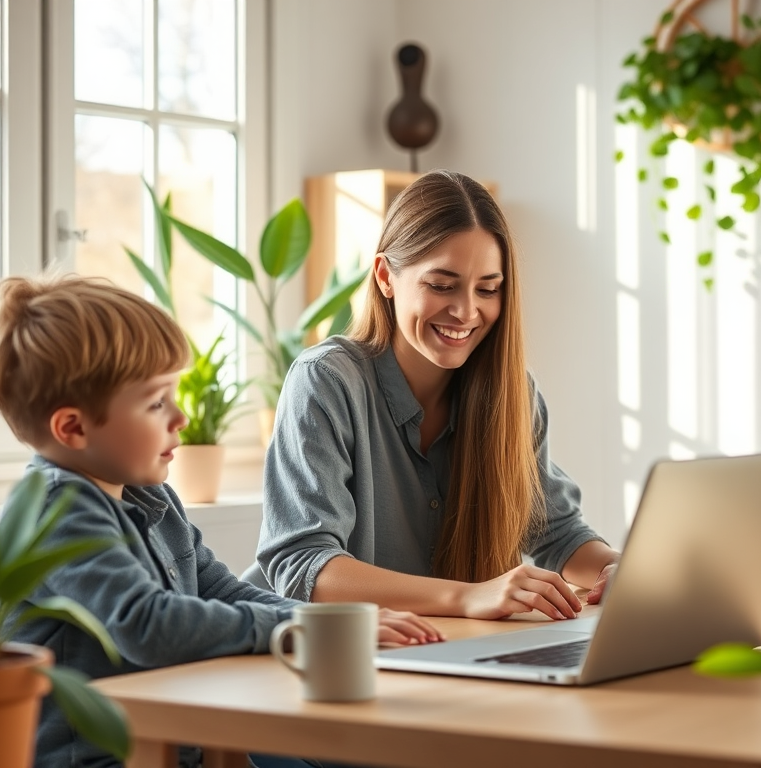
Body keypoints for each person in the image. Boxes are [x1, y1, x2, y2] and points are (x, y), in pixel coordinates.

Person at [0, 274, 440, 768]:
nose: (179, 417)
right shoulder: (59, 511)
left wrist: (323, 622)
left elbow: (220, 589)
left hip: (178, 744)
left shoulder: (149, 493)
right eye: (156, 402)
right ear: (73, 427)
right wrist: (300, 629)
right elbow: (147, 624)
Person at [257, 169, 620, 620]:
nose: (467, 311)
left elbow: (556, 530)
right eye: (442, 285)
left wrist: (620, 569)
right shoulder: (326, 382)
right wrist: (466, 596)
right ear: (386, 277)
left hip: (452, 654)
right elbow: (304, 564)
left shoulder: (513, 395)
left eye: (488, 289)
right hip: (334, 661)